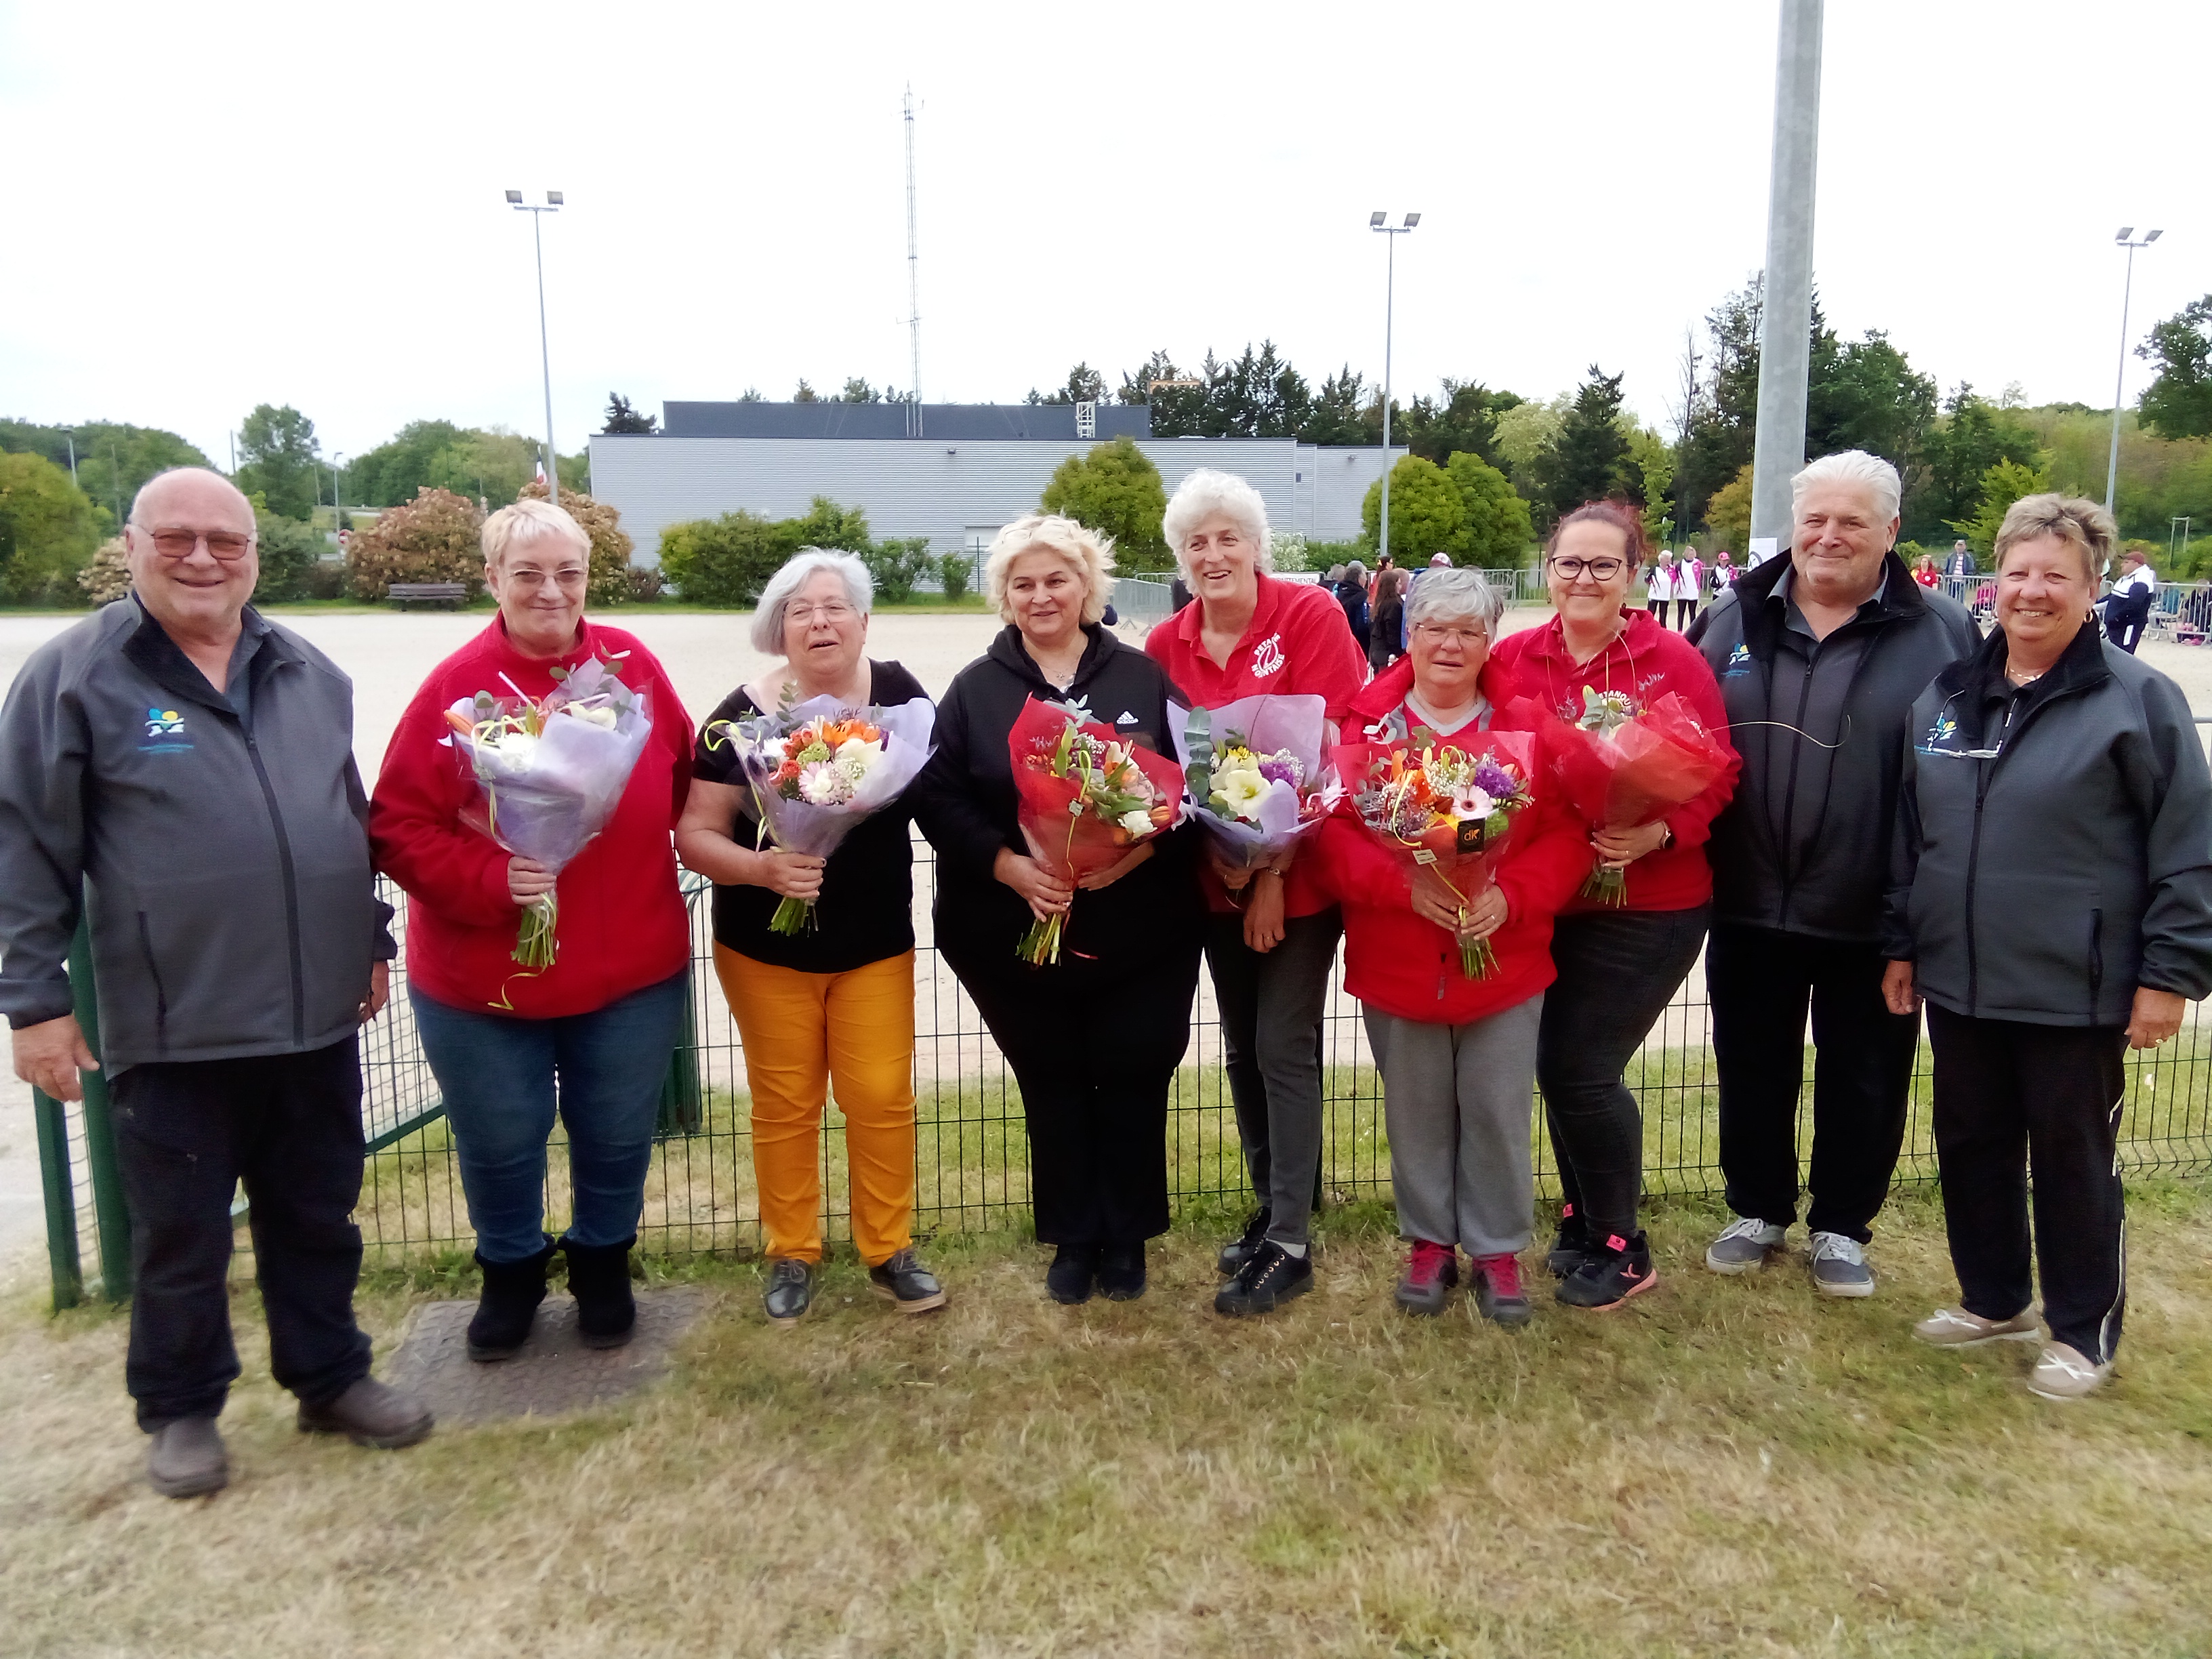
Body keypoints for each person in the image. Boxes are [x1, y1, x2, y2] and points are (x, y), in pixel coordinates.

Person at [0, 468, 430, 1500]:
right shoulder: (75, 677)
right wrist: (36, 1003)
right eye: (178, 538)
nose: (203, 559)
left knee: (319, 1214)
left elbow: (344, 818)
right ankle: (182, 1410)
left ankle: (330, 1377)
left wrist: (368, 938)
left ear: (255, 557)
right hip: (175, 1019)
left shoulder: (307, 670)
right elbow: (26, 846)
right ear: (134, 544)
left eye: (226, 543)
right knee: (181, 1235)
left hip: (315, 1014)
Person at [1882, 495, 2212, 1399]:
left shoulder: (2138, 701)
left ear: (2092, 586)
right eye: (2019, 572)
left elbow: (2188, 844)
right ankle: (1993, 1299)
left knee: (2072, 1160)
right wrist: (1905, 941)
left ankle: (2082, 1331)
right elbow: (1914, 835)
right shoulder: (1947, 695)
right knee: (1972, 1142)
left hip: (2079, 983)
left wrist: (2170, 975)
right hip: (1960, 978)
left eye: (2054, 575)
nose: (2031, 592)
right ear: (1994, 581)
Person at [371, 499, 693, 1361]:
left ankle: (601, 1263)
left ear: (589, 577)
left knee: (619, 1133)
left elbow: (689, 778)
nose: (551, 591)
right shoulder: (455, 689)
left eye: (569, 573)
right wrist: (491, 878)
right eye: (528, 573)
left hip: (629, 968)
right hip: (484, 977)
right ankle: (510, 1270)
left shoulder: (632, 665)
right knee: (501, 1141)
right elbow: (397, 824)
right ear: (493, 580)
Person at [1686, 451, 1978, 1296]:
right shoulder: (1732, 619)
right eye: (1816, 518)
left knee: (1867, 1072)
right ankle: (1758, 1208)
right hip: (1747, 900)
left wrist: (1915, 912)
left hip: (1873, 910)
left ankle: (1843, 1226)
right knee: (1750, 1060)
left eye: (1853, 521)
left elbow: (1959, 781)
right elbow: (1685, 740)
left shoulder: (1945, 633)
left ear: (1891, 533)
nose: (1830, 536)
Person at [910, 514, 1204, 1306]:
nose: (1041, 596)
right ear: (1005, 597)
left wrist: (1136, 852)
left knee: (1135, 1072)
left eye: (1056, 580)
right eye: (1023, 583)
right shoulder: (976, 688)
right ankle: (1075, 1237)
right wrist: (1010, 866)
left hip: (1141, 929)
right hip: (1014, 930)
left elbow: (1195, 788)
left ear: (1087, 589)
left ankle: (1129, 1236)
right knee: (1055, 1083)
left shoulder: (1142, 678)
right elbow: (936, 796)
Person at [675, 549, 944, 1325]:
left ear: (864, 622)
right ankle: (791, 1251)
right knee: (786, 1102)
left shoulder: (900, 698)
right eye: (802, 610)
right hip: (764, 947)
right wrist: (764, 872)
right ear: (778, 628)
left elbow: (940, 799)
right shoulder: (738, 716)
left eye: (835, 607)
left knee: (881, 1096)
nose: (820, 621)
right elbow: (695, 833)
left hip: (874, 943)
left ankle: (889, 1250)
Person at [1314, 569, 1589, 1324]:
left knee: (1498, 1109)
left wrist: (1511, 895)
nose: (1451, 644)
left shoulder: (1524, 725)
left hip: (1504, 958)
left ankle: (1498, 1250)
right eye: (1436, 627)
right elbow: (1331, 841)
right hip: (1399, 958)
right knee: (1417, 1110)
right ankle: (1430, 1242)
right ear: (1410, 633)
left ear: (1488, 641)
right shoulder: (1365, 730)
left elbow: (1568, 835)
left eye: (1470, 631)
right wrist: (1402, 888)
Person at [1491, 504, 1739, 1309]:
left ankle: (1624, 1244)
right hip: (1556, 899)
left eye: (1604, 565)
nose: (1585, 579)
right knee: (1557, 1065)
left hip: (1652, 904)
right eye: (1570, 564)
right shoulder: (1516, 657)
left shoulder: (1672, 659)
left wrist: (1660, 830)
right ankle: (1583, 1216)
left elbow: (1722, 772)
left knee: (1579, 1068)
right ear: (1548, 568)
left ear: (1635, 573)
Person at [1143, 469, 1368, 1316]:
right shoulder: (1167, 643)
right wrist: (1228, 861)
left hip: (1301, 878)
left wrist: (1271, 872)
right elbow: (1171, 767)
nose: (1213, 554)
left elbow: (1334, 747)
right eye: (1196, 543)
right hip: (1214, 878)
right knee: (1242, 1049)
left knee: (1283, 1045)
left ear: (1256, 544)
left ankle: (1290, 1245)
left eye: (1227, 538)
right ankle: (1282, 1199)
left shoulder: (1308, 615)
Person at [2104, 547, 2157, 654]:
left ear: (2136, 564)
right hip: (2117, 626)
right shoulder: (2125, 579)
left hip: (2128, 625)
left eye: (2126, 562)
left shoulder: (2141, 580)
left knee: (2124, 653)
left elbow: (2135, 604)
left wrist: (2117, 618)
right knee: (2115, 653)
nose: (2122, 565)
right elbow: (2111, 598)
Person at [1369, 554, 1408, 672]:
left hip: (1376, 651)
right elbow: (1393, 630)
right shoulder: (1394, 604)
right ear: (1394, 585)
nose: (1400, 587)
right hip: (1389, 655)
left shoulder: (1379, 603)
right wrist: (1398, 652)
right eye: (1399, 583)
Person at [1337, 559, 1372, 655]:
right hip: (1358, 643)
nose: (1366, 579)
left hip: (1340, 638)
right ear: (1359, 578)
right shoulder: (1362, 596)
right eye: (1365, 576)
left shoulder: (1338, 591)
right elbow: (1362, 623)